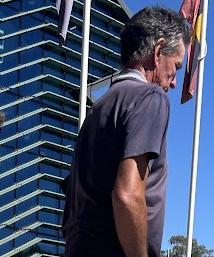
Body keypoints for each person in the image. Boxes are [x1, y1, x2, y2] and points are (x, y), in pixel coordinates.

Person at [62, 7, 190, 257]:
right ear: (157, 51)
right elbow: (127, 194)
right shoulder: (149, 97)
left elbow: (71, 204)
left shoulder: (99, 109)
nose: (174, 82)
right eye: (176, 66)